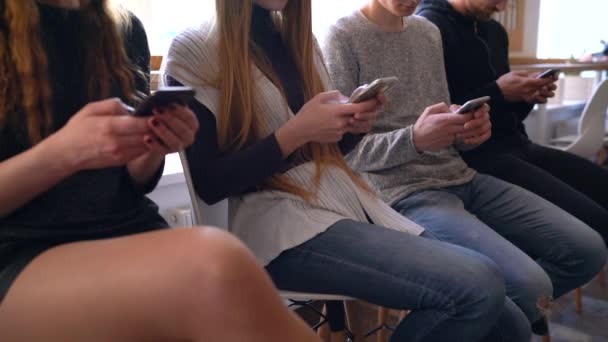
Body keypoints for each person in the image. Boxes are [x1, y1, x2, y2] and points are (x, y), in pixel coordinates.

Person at [162, 0, 549, 341]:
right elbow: (210, 184)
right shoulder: (195, 50)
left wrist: (352, 126)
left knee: (509, 323)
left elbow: (331, 150)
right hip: (269, 226)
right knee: (478, 285)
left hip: (337, 202)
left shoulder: (299, 40)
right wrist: (295, 133)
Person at [0, 1, 322, 341]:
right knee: (215, 264)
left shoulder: (123, 29)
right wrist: (63, 154)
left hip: (128, 227)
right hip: (19, 252)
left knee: (220, 273)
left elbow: (133, 182)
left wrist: (152, 146)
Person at [323, 0, 607, 337]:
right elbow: (343, 152)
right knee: (525, 290)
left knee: (586, 251)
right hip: (399, 193)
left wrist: (469, 131)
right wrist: (414, 139)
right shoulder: (341, 36)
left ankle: (478, 316)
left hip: (461, 175)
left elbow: (446, 126)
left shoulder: (426, 32)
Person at [417, 0, 608, 244]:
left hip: (519, 145)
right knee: (595, 219)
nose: (502, 7)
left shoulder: (495, 32)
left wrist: (524, 98)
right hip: (475, 158)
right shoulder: (430, 27)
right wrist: (500, 92)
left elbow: (508, 116)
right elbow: (432, 116)